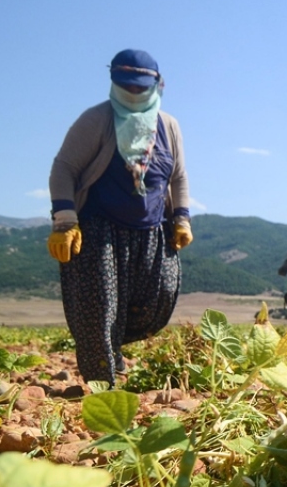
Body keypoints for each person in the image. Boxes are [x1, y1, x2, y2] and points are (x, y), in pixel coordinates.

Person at [47, 49, 192, 385]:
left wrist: (182, 218)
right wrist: (65, 220)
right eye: (127, 86)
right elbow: (64, 168)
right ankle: (103, 383)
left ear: (157, 84)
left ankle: (113, 347)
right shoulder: (96, 119)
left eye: (141, 86)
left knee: (159, 297)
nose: (134, 92)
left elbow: (178, 176)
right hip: (100, 229)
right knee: (98, 307)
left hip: (152, 230)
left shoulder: (168, 126)